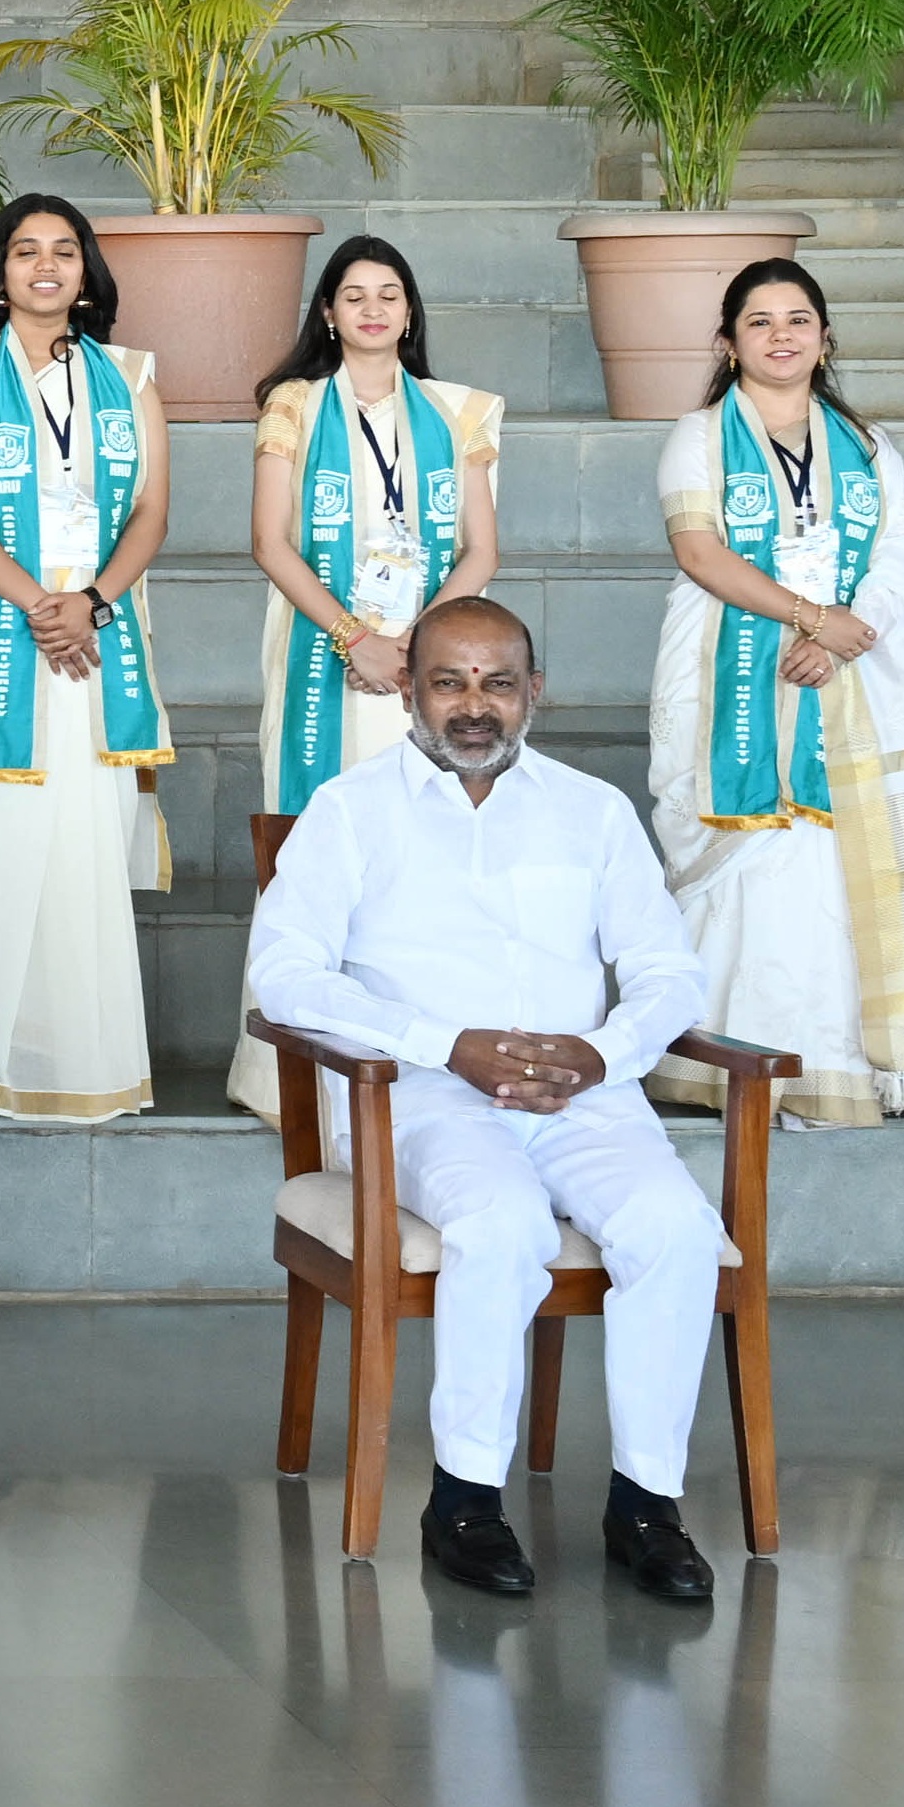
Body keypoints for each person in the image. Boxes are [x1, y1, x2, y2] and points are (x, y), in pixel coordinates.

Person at [245, 596, 730, 1607]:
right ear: (408, 691)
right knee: (500, 1224)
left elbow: (665, 974)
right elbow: (283, 979)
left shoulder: (590, 810)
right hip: (420, 1095)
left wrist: (600, 1056)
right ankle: (463, 1499)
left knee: (675, 1229)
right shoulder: (350, 809)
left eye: (497, 683)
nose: (474, 707)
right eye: (448, 682)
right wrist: (443, 1043)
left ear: (533, 692)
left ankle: (647, 1507)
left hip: (577, 1094)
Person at [645, 256, 904, 1125]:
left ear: (824, 337)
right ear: (727, 344)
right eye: (758, 322)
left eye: (796, 319)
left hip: (841, 680)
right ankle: (721, 1058)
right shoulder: (698, 434)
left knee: (823, 865)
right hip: (730, 670)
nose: (780, 336)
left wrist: (844, 635)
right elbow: (700, 553)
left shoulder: (865, 445)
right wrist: (810, 619)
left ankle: (825, 1065)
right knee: (750, 853)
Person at [0, 195, 176, 1121]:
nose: (46, 266)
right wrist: (36, 604)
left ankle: (88, 1055)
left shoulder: (132, 376)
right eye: (25, 251)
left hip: (98, 623)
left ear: (86, 271)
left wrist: (90, 604)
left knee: (86, 826)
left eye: (64, 250)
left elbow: (150, 511)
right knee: (9, 818)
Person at [241, 231, 507, 877]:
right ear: (327, 313)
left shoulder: (455, 411)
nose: (373, 308)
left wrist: (414, 647)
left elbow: (482, 551)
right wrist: (353, 639)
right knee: (324, 843)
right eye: (353, 296)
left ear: (409, 311)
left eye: (389, 295)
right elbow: (267, 543)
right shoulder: (293, 405)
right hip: (324, 645)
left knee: (419, 842)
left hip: (425, 660)